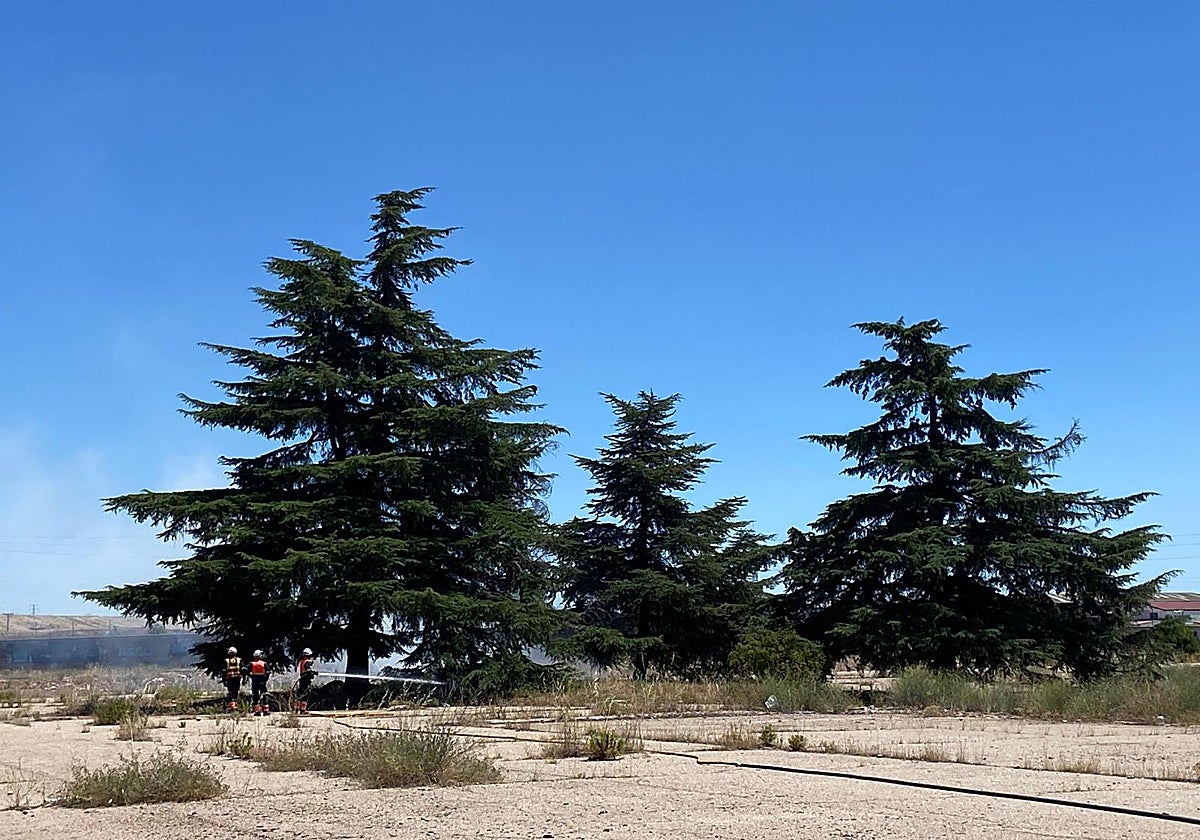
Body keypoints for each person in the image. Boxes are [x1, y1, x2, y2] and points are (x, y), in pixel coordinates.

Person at [248, 650, 270, 716]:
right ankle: (265, 711)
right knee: (264, 695)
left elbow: (245, 669)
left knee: (255, 696)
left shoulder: (252, 663)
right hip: (262, 681)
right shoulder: (264, 663)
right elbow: (268, 672)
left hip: (255, 681)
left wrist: (251, 676)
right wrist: (266, 679)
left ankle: (257, 711)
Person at [295, 647, 317, 713]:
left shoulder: (302, 662)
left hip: (302, 680)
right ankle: (302, 709)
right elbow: (308, 670)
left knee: (300, 694)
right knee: (305, 694)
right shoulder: (306, 662)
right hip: (306, 680)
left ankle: (297, 708)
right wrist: (313, 673)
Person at [223, 647, 242, 711]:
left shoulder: (226, 661)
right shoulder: (239, 660)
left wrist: (224, 680)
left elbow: (224, 671)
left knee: (231, 692)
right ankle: (235, 704)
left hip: (229, 678)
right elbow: (242, 669)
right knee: (235, 691)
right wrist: (243, 678)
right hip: (237, 678)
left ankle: (232, 705)